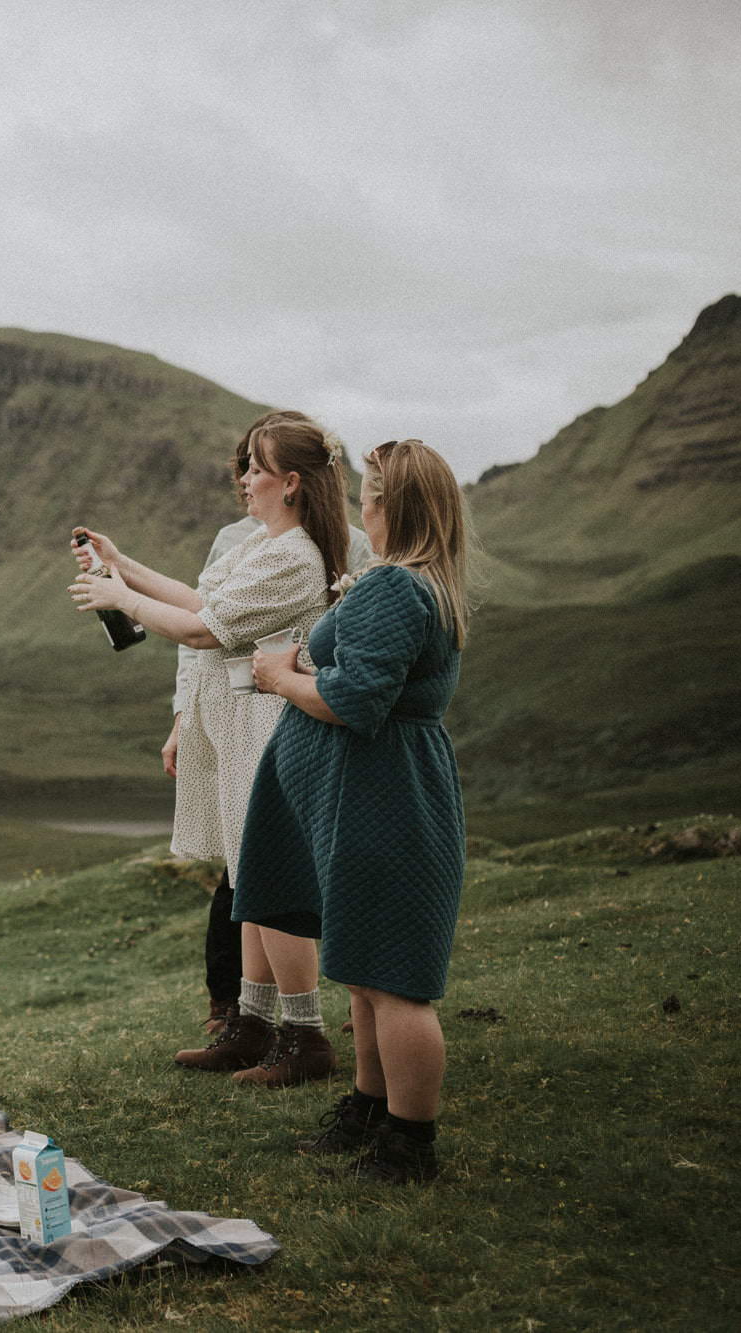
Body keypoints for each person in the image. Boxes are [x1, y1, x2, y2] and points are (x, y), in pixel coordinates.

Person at [71, 412, 366, 1088]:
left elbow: (205, 630)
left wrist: (120, 599)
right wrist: (123, 567)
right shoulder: (269, 543)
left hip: (270, 724)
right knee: (250, 876)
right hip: (244, 724)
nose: (245, 479)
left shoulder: (293, 555)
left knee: (276, 883)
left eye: (258, 468)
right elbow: (204, 597)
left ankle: (304, 1034)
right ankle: (253, 1024)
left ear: (290, 482)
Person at [240, 439, 474, 1184]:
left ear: (391, 504)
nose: (360, 503)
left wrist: (282, 675)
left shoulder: (396, 589)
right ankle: (371, 1107)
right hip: (369, 798)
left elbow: (353, 700)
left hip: (384, 801)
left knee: (396, 979)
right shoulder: (414, 586)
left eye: (370, 491)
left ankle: (411, 1142)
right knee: (367, 971)